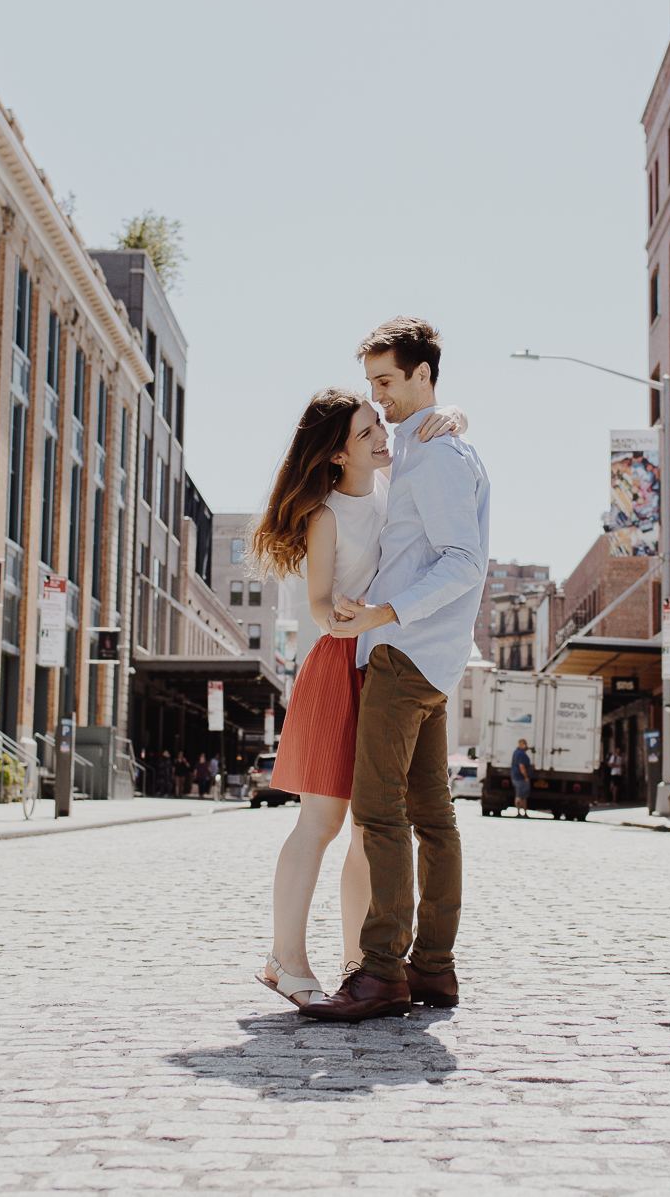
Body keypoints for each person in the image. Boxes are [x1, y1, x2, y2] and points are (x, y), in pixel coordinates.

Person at [248, 386, 468, 1009]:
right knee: (321, 821)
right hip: (340, 663)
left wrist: (457, 415)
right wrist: (341, 613)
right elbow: (319, 602)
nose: (382, 436)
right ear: (337, 455)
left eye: (379, 424)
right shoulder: (325, 515)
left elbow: (443, 440)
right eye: (367, 430)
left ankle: (359, 964)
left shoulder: (391, 488)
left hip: (386, 662)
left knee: (372, 831)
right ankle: (285, 960)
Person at [303, 318, 489, 1023]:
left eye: (386, 381)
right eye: (372, 383)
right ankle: (433, 968)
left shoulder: (437, 455)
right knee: (434, 819)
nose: (377, 399)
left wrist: (383, 615)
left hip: (406, 652)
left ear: (422, 375)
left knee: (380, 813)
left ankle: (380, 971)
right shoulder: (430, 443)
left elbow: (463, 562)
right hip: (432, 657)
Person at [510, 738, 535, 817]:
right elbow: (521, 766)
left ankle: (521, 812)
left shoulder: (516, 752)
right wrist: (526, 776)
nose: (526, 746)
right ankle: (521, 812)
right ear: (520, 744)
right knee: (521, 796)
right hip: (521, 777)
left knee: (520, 794)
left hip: (515, 776)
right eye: (524, 744)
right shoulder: (522, 754)